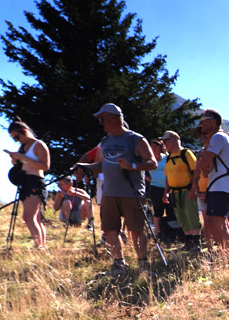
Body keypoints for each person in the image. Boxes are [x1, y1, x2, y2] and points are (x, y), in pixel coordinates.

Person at [73, 103, 156, 274]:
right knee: (110, 229)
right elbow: (102, 165)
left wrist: (131, 165)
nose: (101, 124)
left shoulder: (136, 139)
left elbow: (152, 163)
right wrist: (85, 167)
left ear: (115, 119)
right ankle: (119, 264)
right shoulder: (105, 141)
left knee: (136, 230)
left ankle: (142, 263)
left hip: (131, 193)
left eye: (103, 120)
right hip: (109, 192)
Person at [193, 109, 229, 257]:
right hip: (219, 184)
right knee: (215, 222)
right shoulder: (219, 137)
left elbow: (204, 164)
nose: (202, 124)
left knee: (218, 222)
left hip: (220, 185)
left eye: (204, 120)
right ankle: (225, 255)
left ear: (213, 122)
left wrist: (204, 164)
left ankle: (228, 258)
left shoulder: (218, 138)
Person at [5, 117, 51, 250]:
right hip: (24, 181)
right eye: (14, 138)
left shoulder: (39, 145)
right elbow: (23, 163)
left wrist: (23, 158)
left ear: (24, 131)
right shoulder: (22, 147)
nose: (16, 140)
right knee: (35, 217)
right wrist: (16, 160)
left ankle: (39, 246)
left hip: (35, 181)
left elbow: (45, 166)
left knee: (28, 216)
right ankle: (41, 245)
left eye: (17, 137)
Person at [160, 130, 201, 249]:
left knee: (191, 215)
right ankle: (188, 242)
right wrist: (165, 193)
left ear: (174, 140)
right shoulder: (169, 157)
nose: (164, 144)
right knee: (181, 217)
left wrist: (194, 188)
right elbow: (168, 177)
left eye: (166, 141)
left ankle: (196, 243)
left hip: (187, 190)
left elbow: (195, 171)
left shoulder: (186, 153)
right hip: (174, 192)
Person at [146, 138, 170, 239]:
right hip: (155, 187)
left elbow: (172, 163)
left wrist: (166, 152)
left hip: (168, 187)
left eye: (155, 146)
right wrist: (150, 179)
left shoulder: (166, 157)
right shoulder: (149, 159)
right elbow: (142, 171)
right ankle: (158, 232)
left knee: (170, 209)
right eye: (152, 147)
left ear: (160, 147)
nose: (153, 148)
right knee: (158, 210)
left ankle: (171, 231)